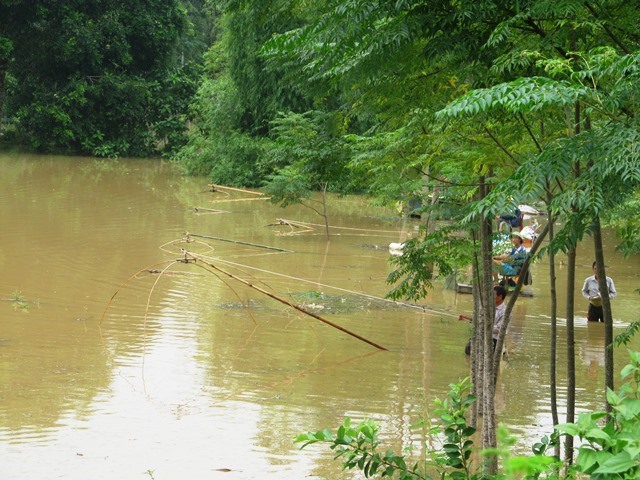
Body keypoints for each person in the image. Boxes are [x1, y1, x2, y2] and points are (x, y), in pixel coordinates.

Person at [465, 285, 508, 355]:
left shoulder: (505, 312)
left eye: (493, 294)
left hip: (494, 339)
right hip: (484, 335)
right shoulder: (489, 307)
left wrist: (484, 326)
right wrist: (467, 318)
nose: (490, 297)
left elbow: (499, 329)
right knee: (468, 349)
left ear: (500, 297)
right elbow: (481, 320)